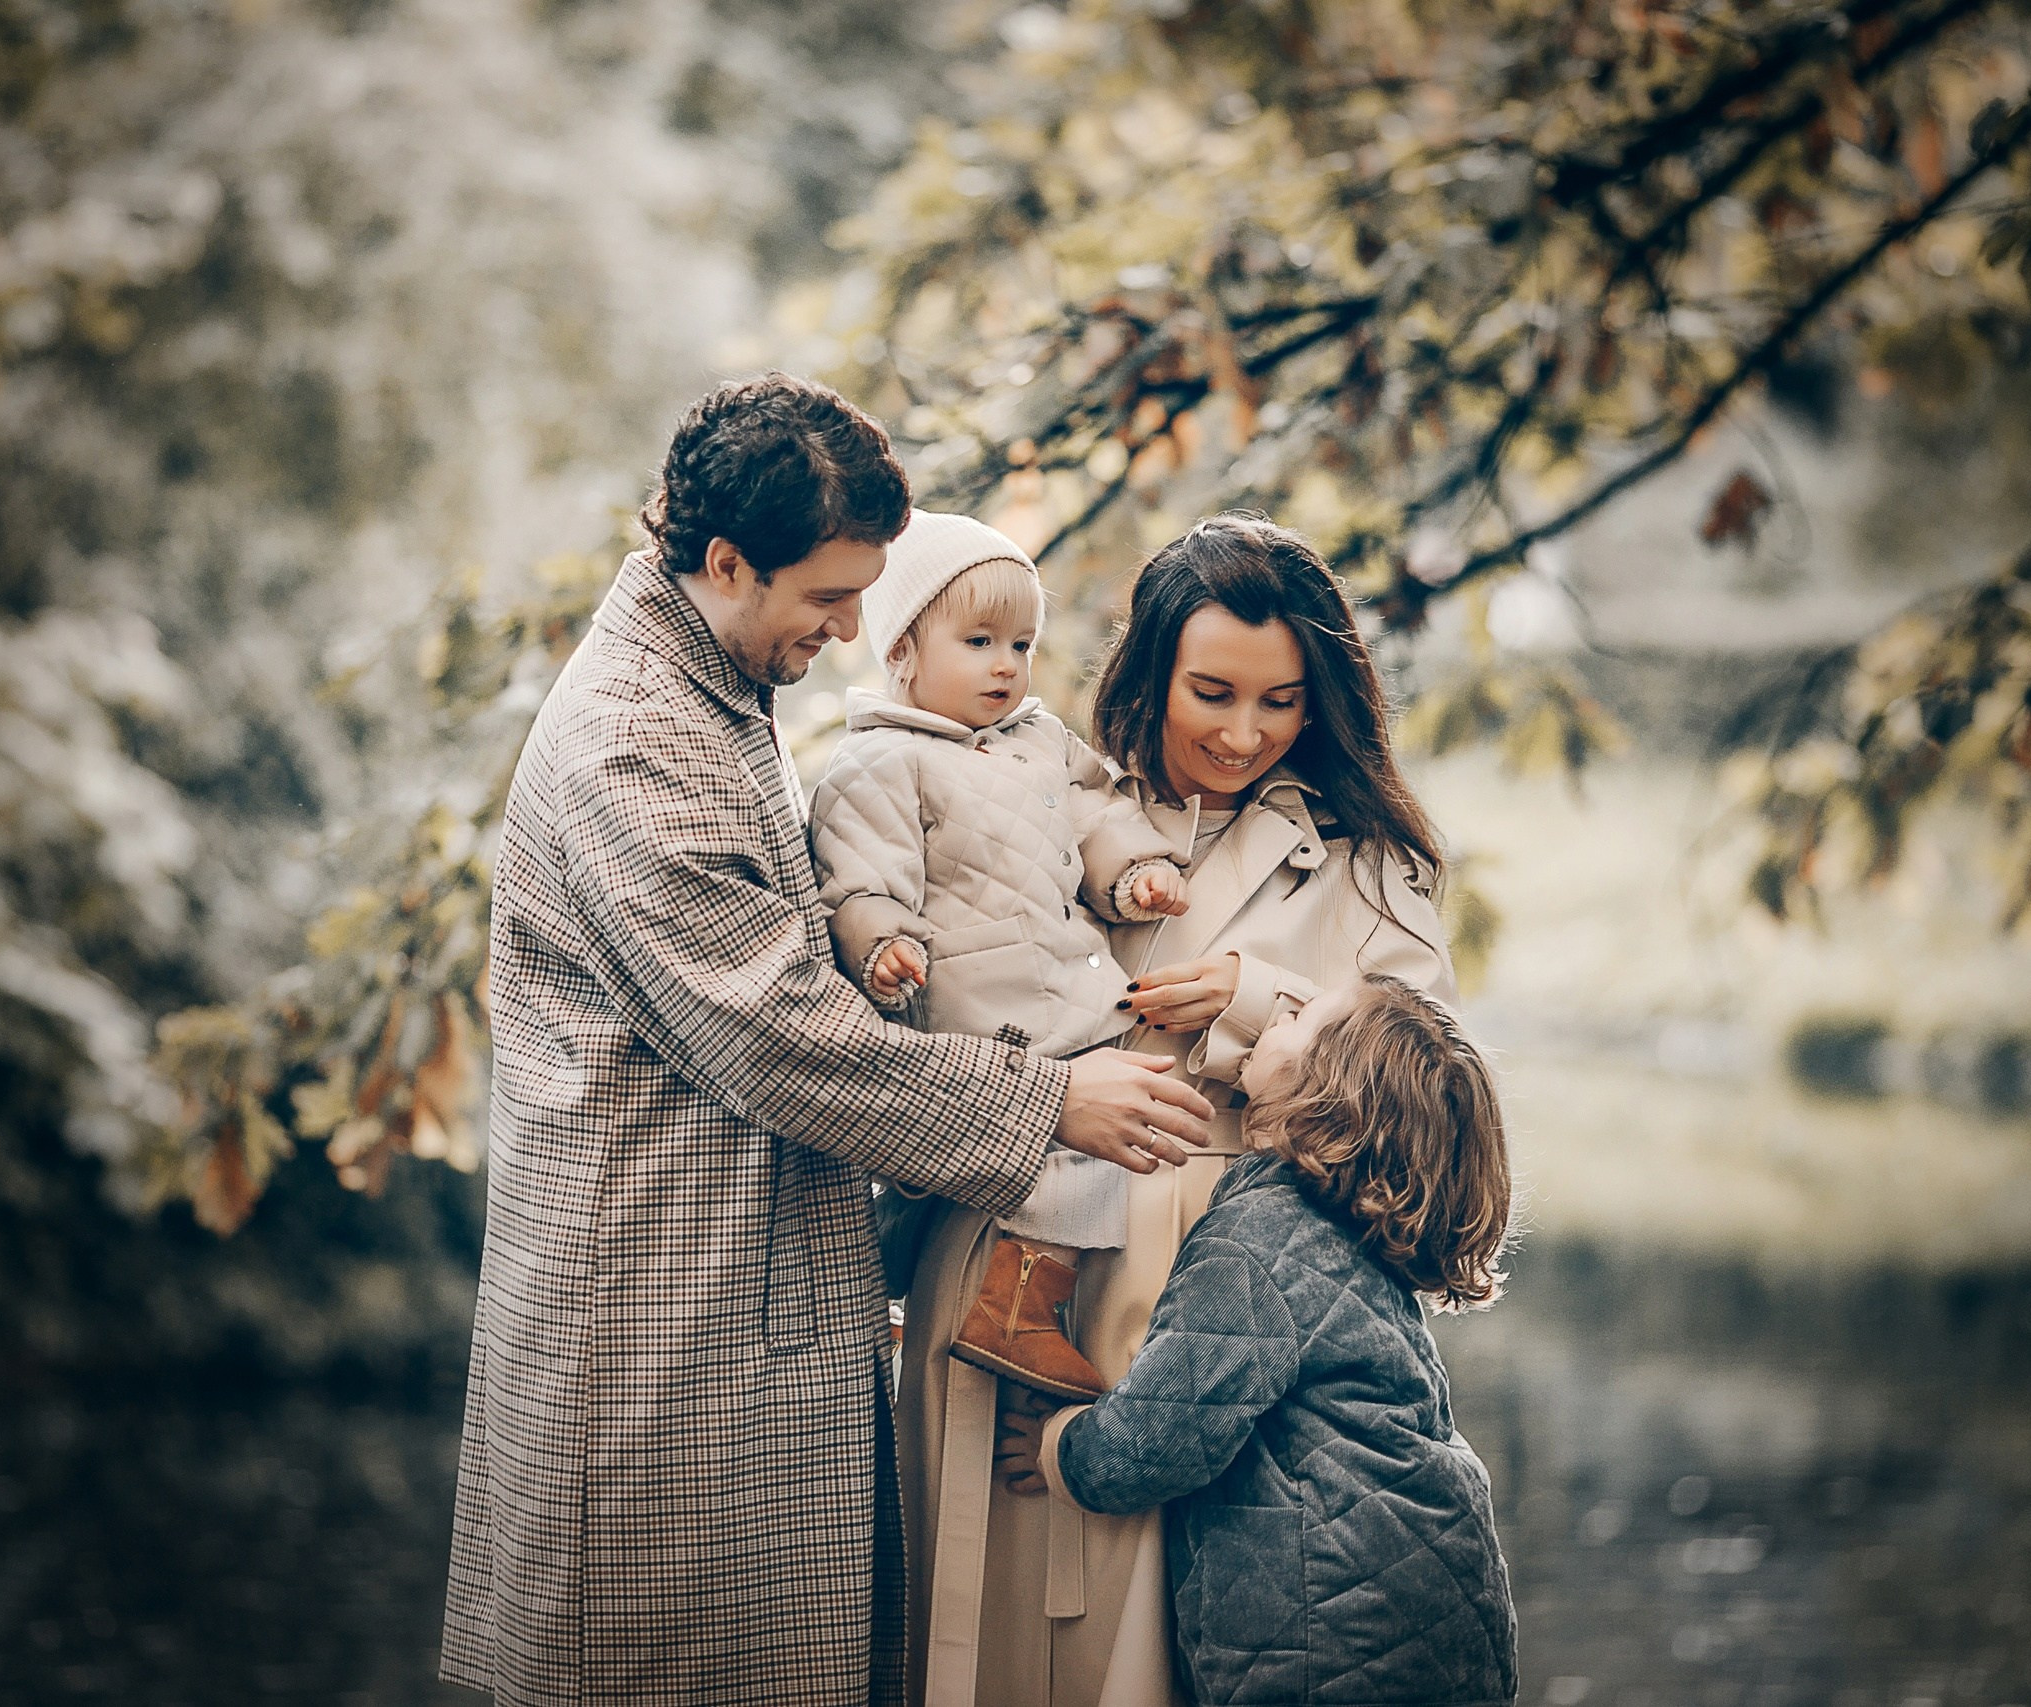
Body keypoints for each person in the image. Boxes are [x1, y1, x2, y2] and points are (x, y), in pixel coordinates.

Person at [439, 373, 1214, 1707]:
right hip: (653, 1320)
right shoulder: (637, 744)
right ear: (724, 560)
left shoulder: (709, 678)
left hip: (726, 1293)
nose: (856, 626)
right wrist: (1047, 1101)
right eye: (828, 596)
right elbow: (779, 1035)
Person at [896, 513, 1459, 1707]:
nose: (1243, 733)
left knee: (1145, 1638)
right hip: (1011, 1241)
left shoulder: (1373, 864)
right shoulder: (1033, 791)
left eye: (1283, 702)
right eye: (1210, 692)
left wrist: (1256, 1002)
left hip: (1214, 1293)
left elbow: (1436, 1107)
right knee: (973, 1621)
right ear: (1148, 671)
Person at [1011, 975, 1519, 1707]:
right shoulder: (1363, 1239)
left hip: (1333, 1641)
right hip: (1449, 1605)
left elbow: (1149, 1442)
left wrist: (1057, 1444)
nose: (1277, 1011)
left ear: (1327, 1091)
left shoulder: (1258, 1241)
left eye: (1303, 1016)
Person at [811, 509, 1191, 1402]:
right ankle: (1015, 1309)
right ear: (902, 649)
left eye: (1020, 642)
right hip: (977, 1005)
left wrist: (1132, 873)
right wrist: (883, 945)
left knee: (1068, 1140)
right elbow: (859, 880)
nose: (1004, 665)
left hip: (1056, 973)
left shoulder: (1040, 740)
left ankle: (928, 1296)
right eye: (978, 639)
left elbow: (1093, 817)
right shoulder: (879, 762)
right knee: (1045, 1145)